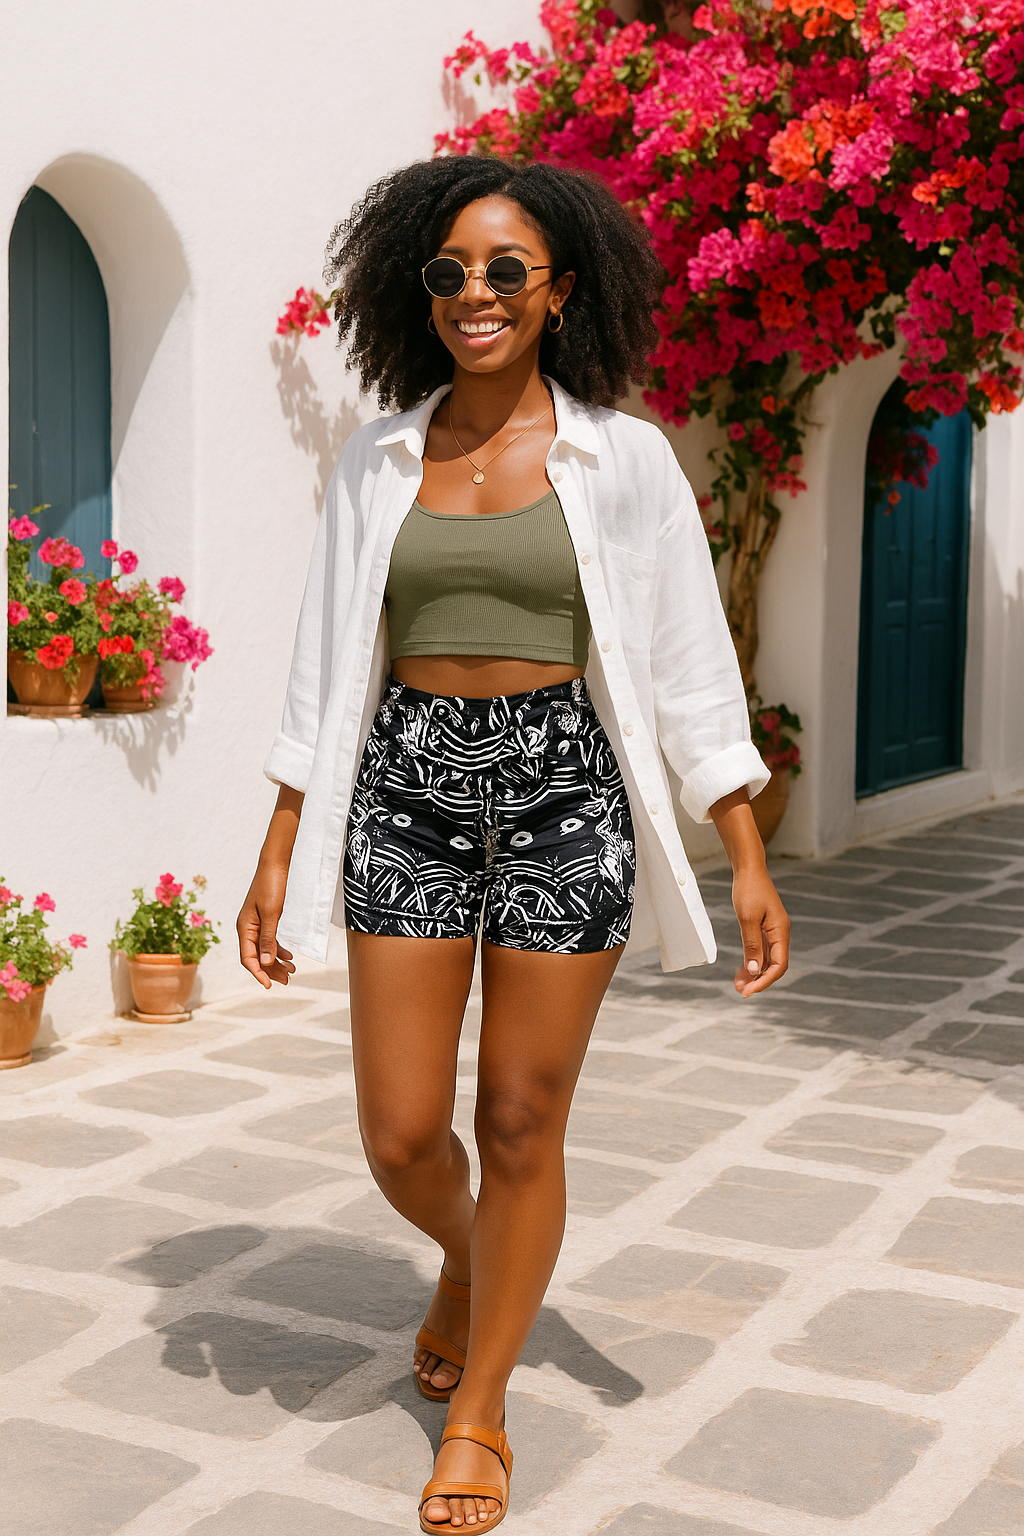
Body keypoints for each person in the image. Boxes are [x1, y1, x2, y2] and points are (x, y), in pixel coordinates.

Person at [237, 155, 790, 1535]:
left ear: (560, 291)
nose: (473, 294)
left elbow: (683, 657)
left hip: (567, 792)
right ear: (413, 292)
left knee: (521, 1117)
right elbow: (322, 658)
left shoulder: (625, 456)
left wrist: (745, 839)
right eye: (448, 273)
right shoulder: (377, 458)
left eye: (502, 272)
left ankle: (479, 1412)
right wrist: (277, 835)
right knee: (403, 1128)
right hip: (408, 787)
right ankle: (476, 1260)